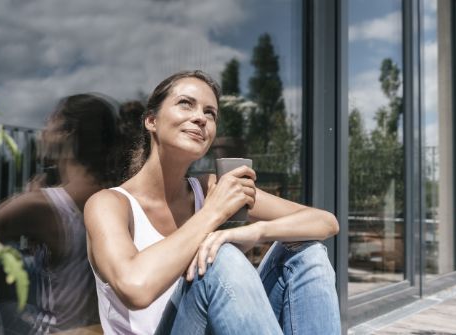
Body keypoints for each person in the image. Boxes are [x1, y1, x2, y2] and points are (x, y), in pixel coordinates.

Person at [84, 70, 341, 334]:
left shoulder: (208, 187)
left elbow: (326, 222)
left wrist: (256, 230)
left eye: (210, 113)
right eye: (186, 103)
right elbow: (135, 288)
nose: (200, 118)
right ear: (151, 120)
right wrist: (213, 213)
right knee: (222, 256)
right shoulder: (109, 204)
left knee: (306, 253)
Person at [0, 93, 130, 334]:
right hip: (102, 329)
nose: (42, 131)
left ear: (66, 132)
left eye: (49, 121)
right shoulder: (118, 198)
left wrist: (19, 206)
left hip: (56, 331)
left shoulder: (40, 206)